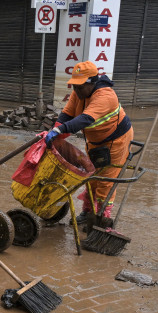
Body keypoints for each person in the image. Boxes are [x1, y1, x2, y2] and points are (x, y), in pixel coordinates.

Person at [45, 61, 134, 224]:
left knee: (106, 181)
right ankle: (87, 212)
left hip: (115, 140)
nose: (76, 90)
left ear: (92, 83)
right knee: (91, 176)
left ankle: (101, 216)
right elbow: (67, 114)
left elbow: (85, 119)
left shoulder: (106, 96)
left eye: (80, 87)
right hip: (95, 140)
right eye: (74, 87)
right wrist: (55, 128)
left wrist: (60, 131)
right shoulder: (78, 93)